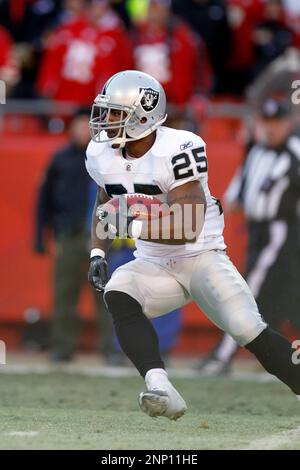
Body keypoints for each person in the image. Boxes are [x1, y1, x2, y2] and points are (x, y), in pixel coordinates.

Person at [85, 70, 300, 420]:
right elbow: (105, 199)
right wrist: (98, 251)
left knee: (248, 330)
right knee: (119, 292)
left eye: (115, 113)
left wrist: (132, 222)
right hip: (153, 262)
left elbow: (186, 227)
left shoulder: (179, 148)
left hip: (200, 257)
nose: (105, 122)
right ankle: (161, 387)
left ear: (144, 114)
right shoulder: (101, 153)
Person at [196, 97, 300, 376]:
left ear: (288, 123)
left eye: (277, 122)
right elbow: (242, 183)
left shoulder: (295, 151)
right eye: (266, 122)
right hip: (257, 230)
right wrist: (233, 198)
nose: (271, 129)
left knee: (247, 291)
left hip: (281, 230)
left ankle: (222, 356)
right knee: (286, 298)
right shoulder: (256, 150)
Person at [35, 107, 115, 362]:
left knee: (107, 294)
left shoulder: (107, 159)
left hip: (100, 235)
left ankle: (111, 349)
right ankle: (63, 346)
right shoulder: (60, 159)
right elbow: (43, 200)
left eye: (87, 126)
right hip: (68, 234)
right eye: (78, 125)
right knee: (64, 294)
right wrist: (42, 237)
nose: (82, 130)